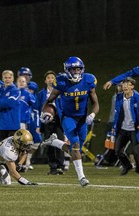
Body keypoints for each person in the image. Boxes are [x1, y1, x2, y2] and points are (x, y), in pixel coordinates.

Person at [40, 56, 99, 187]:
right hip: (68, 117)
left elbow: (95, 103)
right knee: (76, 145)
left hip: (82, 118)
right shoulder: (61, 82)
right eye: (73, 70)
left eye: (78, 69)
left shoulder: (89, 80)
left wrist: (93, 114)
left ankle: (54, 142)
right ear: (67, 70)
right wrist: (45, 112)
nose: (76, 72)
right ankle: (81, 177)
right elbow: (49, 101)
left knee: (75, 149)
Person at [113, 77, 139, 176]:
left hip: (135, 129)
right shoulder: (119, 97)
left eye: (128, 84)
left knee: (136, 152)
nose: (125, 86)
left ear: (132, 87)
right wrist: (114, 126)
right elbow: (117, 113)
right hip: (123, 128)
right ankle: (127, 166)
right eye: (124, 84)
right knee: (117, 150)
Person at [37, 70, 66, 175]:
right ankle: (52, 166)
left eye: (52, 78)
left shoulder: (60, 92)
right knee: (49, 144)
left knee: (59, 142)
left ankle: (60, 165)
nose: (50, 79)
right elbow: (37, 108)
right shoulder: (41, 94)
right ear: (45, 81)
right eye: (48, 78)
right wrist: (38, 124)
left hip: (58, 120)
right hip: (46, 122)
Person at [0, 70, 21, 142]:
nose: (7, 80)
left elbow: (10, 103)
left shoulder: (16, 91)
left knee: (13, 148)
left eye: (9, 78)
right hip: (0, 125)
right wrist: (2, 103)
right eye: (5, 78)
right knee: (1, 149)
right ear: (2, 79)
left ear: (12, 79)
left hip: (13, 125)